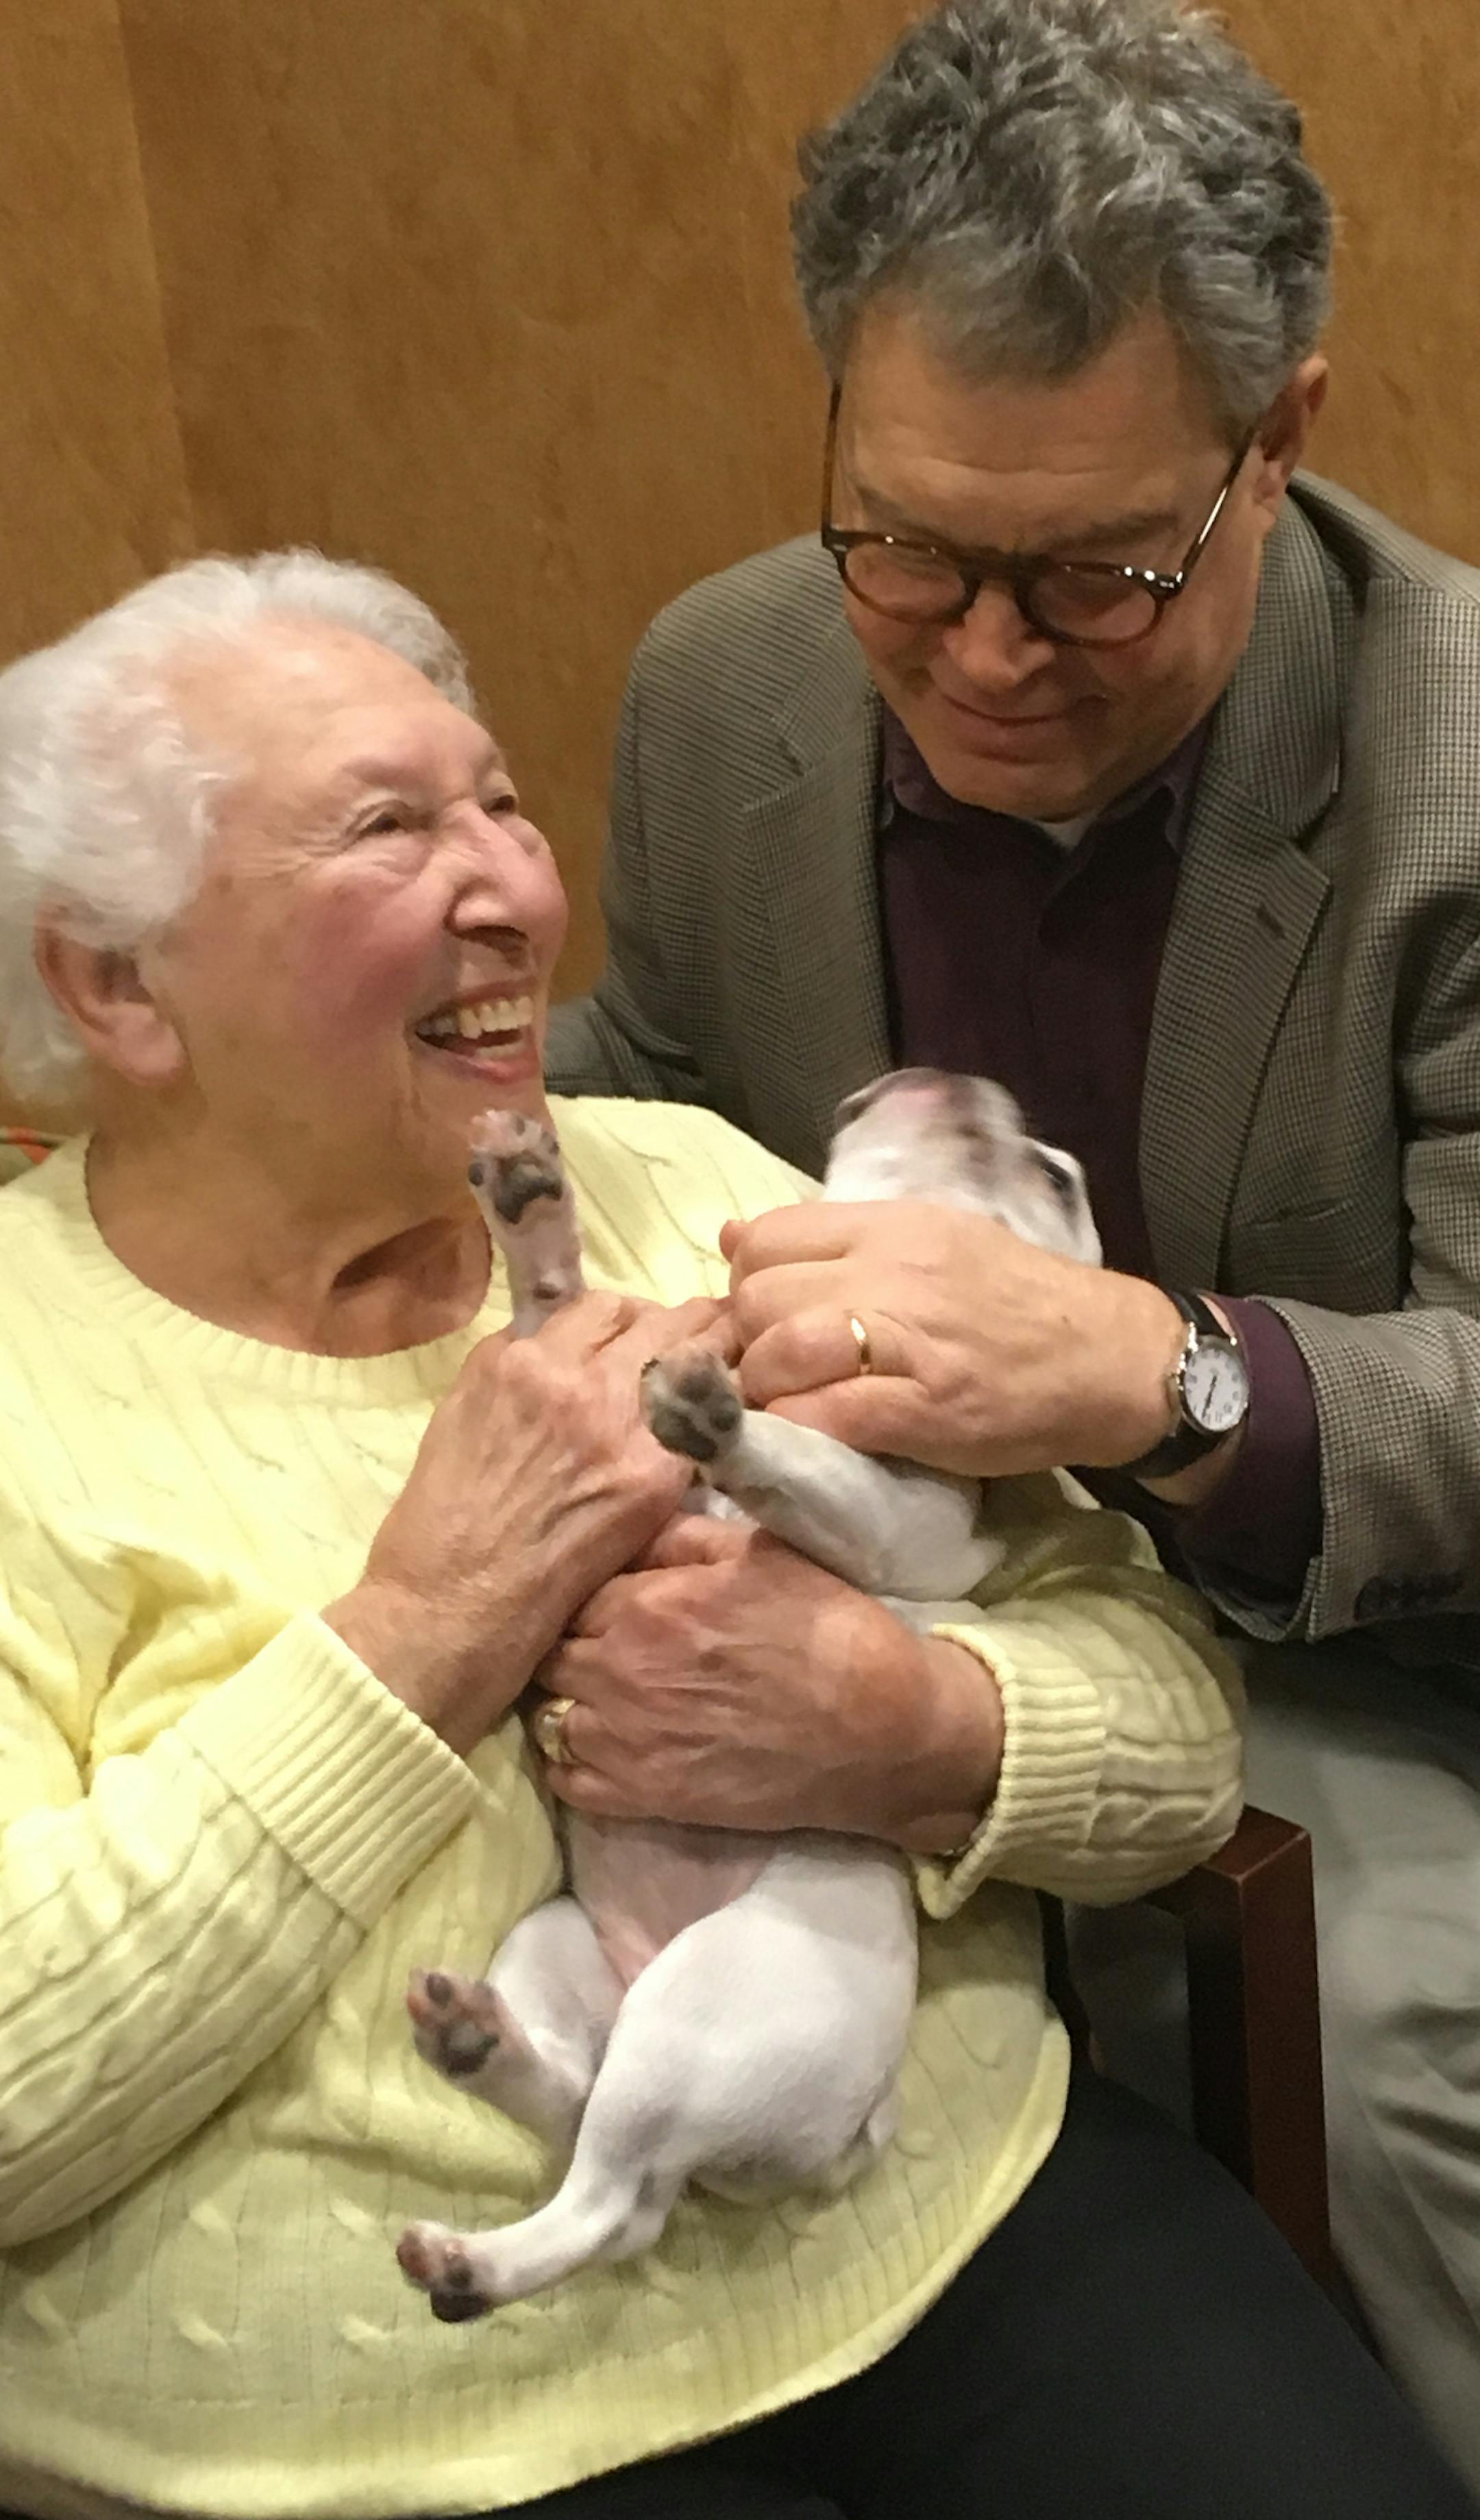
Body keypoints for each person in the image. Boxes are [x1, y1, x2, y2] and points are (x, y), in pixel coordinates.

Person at [0, 554, 1467, 2520]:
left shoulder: (704, 1192)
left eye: (502, 803)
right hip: (394, 2414)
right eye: (388, 828)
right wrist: (427, 1626)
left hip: (944, 2222)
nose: (518, 887)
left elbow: (1171, 1718)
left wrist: (913, 1724)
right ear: (115, 979)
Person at [544, 0, 1480, 2482]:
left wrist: (1161, 1376)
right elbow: (635, 1087)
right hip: (853, 1585)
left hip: (1347, 1668)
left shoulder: (1461, 770)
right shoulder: (727, 679)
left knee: (1381, 2057)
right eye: (913, 548)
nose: (980, 659)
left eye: (1091, 578)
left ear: (1278, 445)